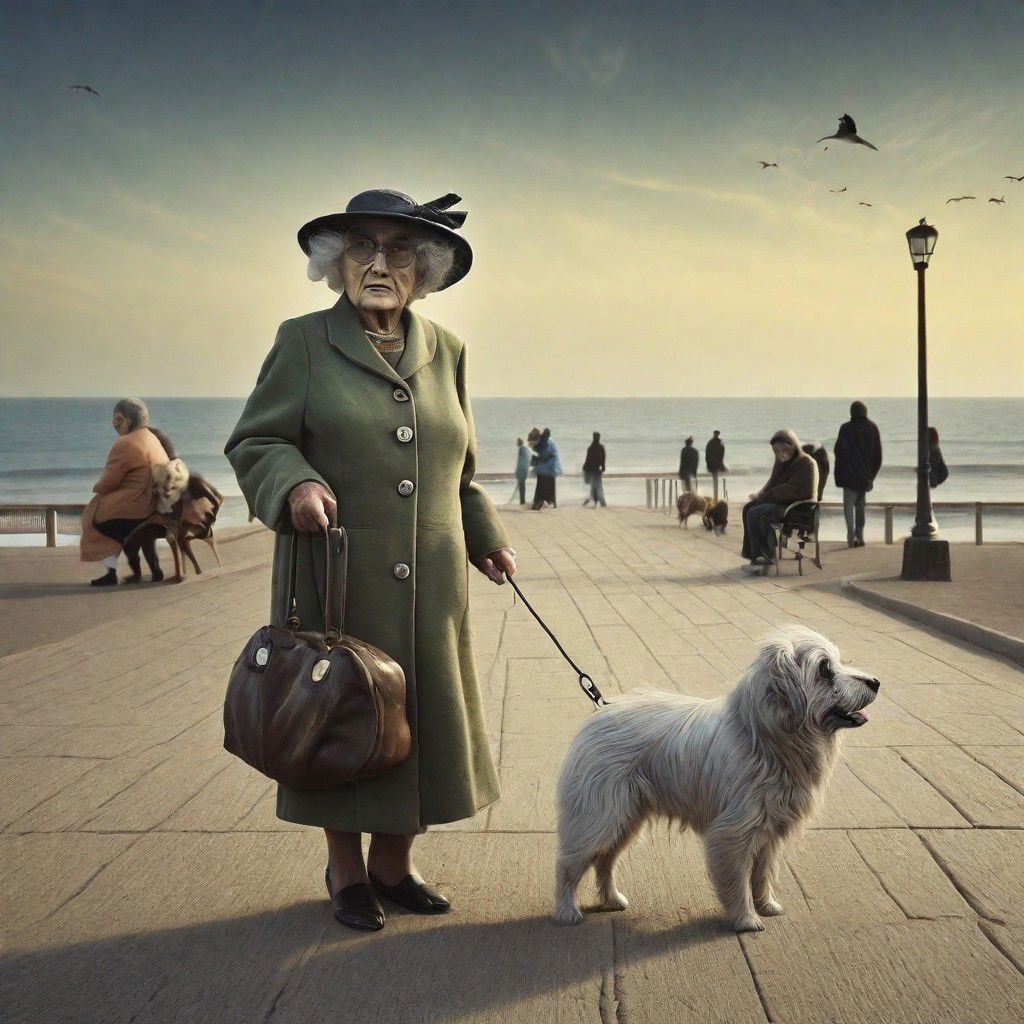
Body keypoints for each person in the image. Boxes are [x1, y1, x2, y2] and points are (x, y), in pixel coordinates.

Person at [225, 188, 516, 933]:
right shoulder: (302, 342)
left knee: (416, 720)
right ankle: (346, 871)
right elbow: (257, 442)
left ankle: (395, 865)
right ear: (336, 263)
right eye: (363, 247)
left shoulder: (447, 350)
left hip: (433, 582)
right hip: (337, 577)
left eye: (397, 250)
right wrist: (293, 484)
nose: (379, 264)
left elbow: (461, 468)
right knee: (340, 716)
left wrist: (486, 538)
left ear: (424, 268)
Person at [79, 398, 169, 586]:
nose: (114, 425)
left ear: (130, 420)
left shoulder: (125, 443)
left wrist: (98, 487)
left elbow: (108, 482)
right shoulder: (152, 438)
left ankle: (110, 572)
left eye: (118, 420)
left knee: (95, 515)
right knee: (109, 513)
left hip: (137, 505)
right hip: (154, 502)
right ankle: (154, 569)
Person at [740, 430, 818, 573]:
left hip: (798, 507)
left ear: (793, 446)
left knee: (756, 513)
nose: (780, 453)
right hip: (781, 504)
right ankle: (754, 556)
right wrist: (760, 496)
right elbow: (772, 483)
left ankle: (765, 558)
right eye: (776, 451)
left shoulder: (807, 462)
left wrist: (775, 492)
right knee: (749, 508)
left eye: (784, 449)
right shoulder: (782, 463)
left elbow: (804, 491)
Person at [833, 400, 883, 548]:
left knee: (848, 507)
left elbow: (838, 451)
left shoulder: (845, 428)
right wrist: (871, 476)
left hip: (848, 477)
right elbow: (878, 456)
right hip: (864, 477)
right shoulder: (872, 428)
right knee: (860, 506)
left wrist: (840, 472)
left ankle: (850, 536)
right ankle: (860, 536)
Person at [530, 426, 562, 510]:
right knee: (541, 483)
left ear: (537, 439)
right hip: (546, 467)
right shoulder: (542, 441)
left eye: (533, 442)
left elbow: (544, 456)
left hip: (550, 467)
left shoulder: (546, 442)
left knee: (545, 485)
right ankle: (540, 502)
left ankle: (542, 503)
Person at [582, 431, 607, 507]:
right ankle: (600, 502)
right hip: (598, 470)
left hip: (592, 470)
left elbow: (588, 460)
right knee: (597, 486)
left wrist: (585, 468)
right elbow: (603, 459)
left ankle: (597, 501)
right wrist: (603, 467)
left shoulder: (590, 448)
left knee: (595, 486)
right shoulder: (601, 447)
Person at [705, 430, 726, 501]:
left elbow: (707, 455)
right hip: (717, 465)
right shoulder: (719, 442)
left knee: (715, 478)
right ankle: (716, 498)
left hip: (712, 465)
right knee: (715, 478)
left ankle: (715, 498)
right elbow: (721, 454)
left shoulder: (710, 442)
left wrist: (708, 464)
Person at [514, 437, 530, 505]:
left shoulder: (521, 449)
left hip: (522, 470)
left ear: (519, 442)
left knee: (521, 486)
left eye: (517, 442)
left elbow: (520, 461)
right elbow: (526, 460)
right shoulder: (525, 449)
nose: (516, 443)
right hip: (525, 470)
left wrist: (517, 471)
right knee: (522, 486)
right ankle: (522, 500)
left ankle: (522, 501)